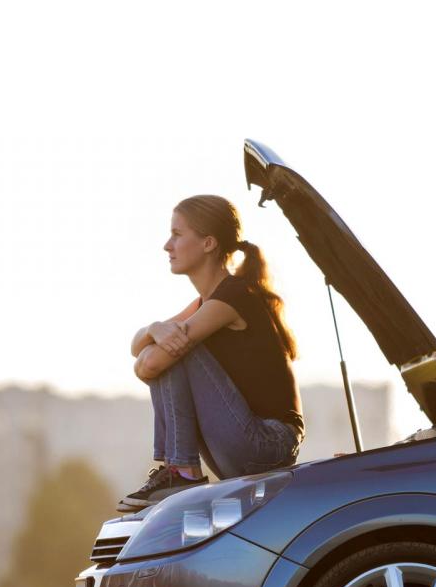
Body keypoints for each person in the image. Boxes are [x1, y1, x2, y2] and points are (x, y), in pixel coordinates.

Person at [118, 194, 304, 511]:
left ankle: (182, 471)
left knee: (178, 351)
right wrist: (154, 328)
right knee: (173, 345)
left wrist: (154, 346)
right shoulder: (207, 302)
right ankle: (179, 470)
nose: (167, 245)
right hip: (245, 443)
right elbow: (138, 348)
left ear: (208, 243)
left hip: (268, 442)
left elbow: (152, 363)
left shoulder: (233, 297)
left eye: (177, 234)